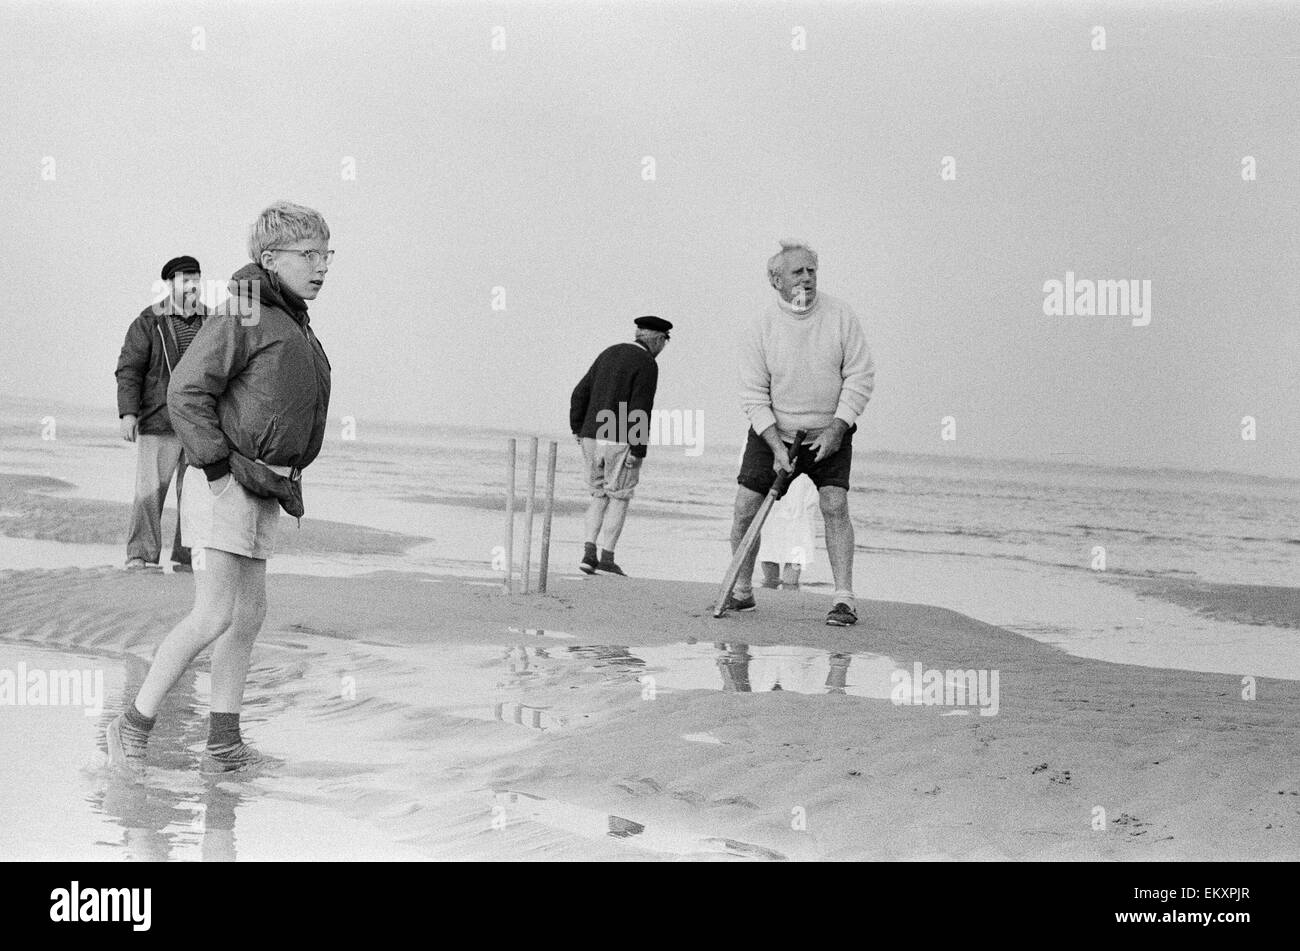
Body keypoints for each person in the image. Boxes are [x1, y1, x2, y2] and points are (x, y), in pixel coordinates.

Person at [104, 201, 333, 775]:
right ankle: (131, 726)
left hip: (265, 486)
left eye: (325, 253)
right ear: (268, 257)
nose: (321, 265)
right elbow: (185, 390)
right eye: (307, 254)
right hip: (226, 484)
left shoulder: (293, 319)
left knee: (248, 614)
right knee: (214, 613)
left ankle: (223, 746)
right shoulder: (247, 310)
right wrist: (217, 470)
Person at [727, 240, 875, 626]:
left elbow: (860, 376)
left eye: (812, 270)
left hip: (830, 431)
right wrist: (775, 444)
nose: (807, 278)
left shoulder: (841, 316)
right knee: (745, 508)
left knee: (834, 505)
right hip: (773, 433)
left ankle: (844, 599)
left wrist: (838, 427)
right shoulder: (760, 326)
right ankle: (742, 591)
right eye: (798, 271)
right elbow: (753, 394)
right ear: (776, 280)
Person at [115, 255, 210, 571]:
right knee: (149, 493)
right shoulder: (149, 320)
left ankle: (188, 557)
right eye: (186, 279)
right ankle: (141, 554)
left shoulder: (211, 321)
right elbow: (130, 369)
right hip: (158, 420)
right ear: (170, 284)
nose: (193, 284)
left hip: (200, 424)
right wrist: (128, 414)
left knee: (195, 496)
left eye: (196, 277)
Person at [569, 315, 672, 576]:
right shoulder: (647, 363)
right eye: (664, 342)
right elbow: (640, 408)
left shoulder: (609, 352)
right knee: (619, 497)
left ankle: (588, 553)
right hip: (619, 433)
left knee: (598, 495)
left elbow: (579, 392)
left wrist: (578, 429)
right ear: (658, 339)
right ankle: (607, 558)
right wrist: (638, 450)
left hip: (593, 432)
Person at [758, 472, 818, 590]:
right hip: (774, 475)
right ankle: (776, 585)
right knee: (769, 533)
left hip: (802, 479)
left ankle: (786, 584)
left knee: (799, 533)